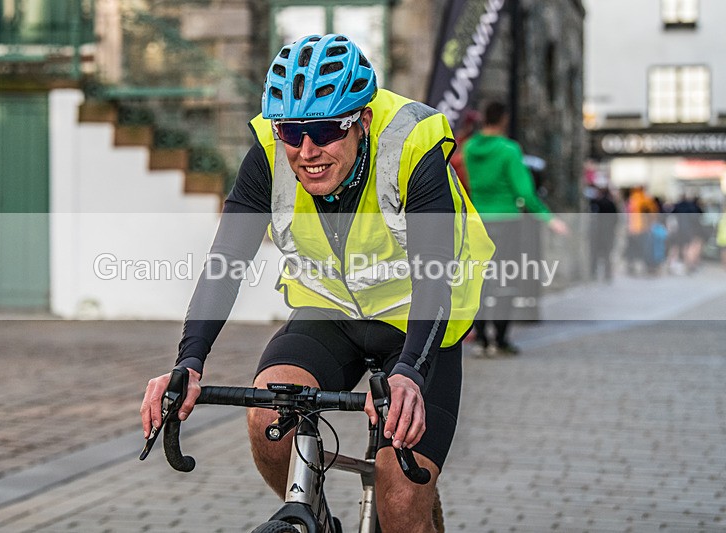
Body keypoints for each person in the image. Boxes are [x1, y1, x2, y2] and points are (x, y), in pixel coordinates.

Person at [140, 34, 493, 532]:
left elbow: (436, 271)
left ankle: (412, 508)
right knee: (268, 422)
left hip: (417, 321)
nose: (306, 152)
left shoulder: (413, 142)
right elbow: (227, 259)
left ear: (361, 121)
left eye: (325, 130)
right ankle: (317, 522)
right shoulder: (269, 153)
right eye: (291, 131)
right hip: (329, 314)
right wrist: (189, 362)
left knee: (399, 500)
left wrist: (411, 372)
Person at [462, 101, 568, 357]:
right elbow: (524, 192)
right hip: (507, 221)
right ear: (503, 120)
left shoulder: (469, 149)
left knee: (479, 280)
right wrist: (548, 218)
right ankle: (500, 339)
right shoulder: (509, 150)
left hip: (477, 221)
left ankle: (481, 340)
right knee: (505, 279)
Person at [588, 185, 619, 282]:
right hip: (608, 233)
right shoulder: (611, 203)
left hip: (598, 232)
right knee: (607, 255)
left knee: (595, 254)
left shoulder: (597, 203)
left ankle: (593, 273)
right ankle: (607, 275)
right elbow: (616, 219)